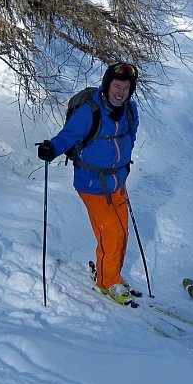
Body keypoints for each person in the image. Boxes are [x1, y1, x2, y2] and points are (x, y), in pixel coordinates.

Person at [37, 62, 139, 305]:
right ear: (107, 85)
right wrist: (51, 149)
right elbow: (67, 137)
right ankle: (106, 281)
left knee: (122, 233)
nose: (120, 92)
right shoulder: (90, 112)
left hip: (118, 181)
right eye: (116, 86)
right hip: (92, 183)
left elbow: (130, 139)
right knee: (111, 234)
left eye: (126, 88)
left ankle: (111, 273)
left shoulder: (130, 111)